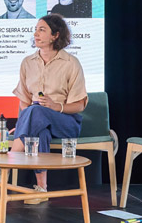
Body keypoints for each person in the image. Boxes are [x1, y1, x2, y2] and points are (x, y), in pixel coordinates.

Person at [10, 13, 88, 203]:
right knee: (39, 130)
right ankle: (42, 189)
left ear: (55, 35)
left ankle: (7, 160)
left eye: (42, 30)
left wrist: (56, 106)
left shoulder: (71, 63)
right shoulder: (27, 63)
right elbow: (25, 101)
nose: (35, 33)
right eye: (36, 29)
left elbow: (79, 105)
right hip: (39, 121)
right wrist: (24, 123)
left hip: (66, 122)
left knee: (37, 112)